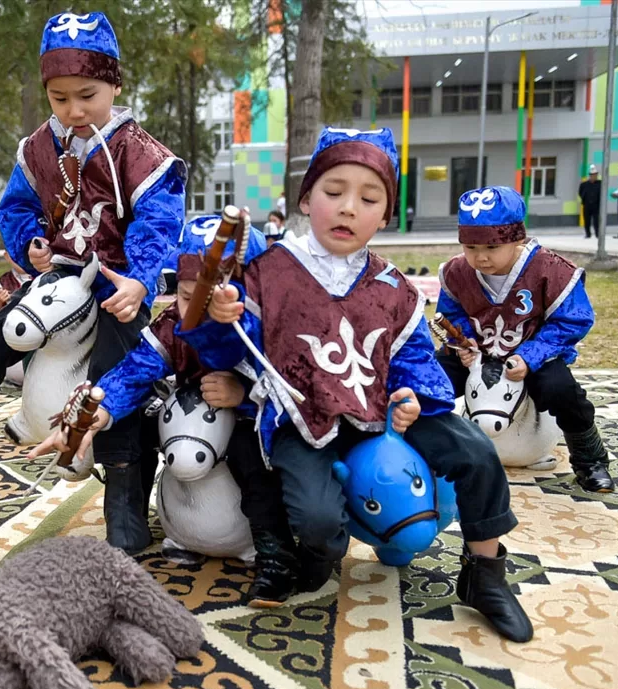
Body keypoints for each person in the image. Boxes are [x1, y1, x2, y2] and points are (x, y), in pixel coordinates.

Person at [181, 128, 534, 643]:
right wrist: (218, 317)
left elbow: (414, 359)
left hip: (381, 412)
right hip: (304, 422)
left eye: (368, 198)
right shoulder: (269, 273)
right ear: (306, 199)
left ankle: (485, 573)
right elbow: (225, 353)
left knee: (475, 451)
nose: (349, 208)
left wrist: (413, 396)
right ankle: (318, 553)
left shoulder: (394, 285)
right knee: (321, 521)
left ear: (385, 214)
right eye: (333, 192)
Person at [0, 11, 186, 554]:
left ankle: (122, 501)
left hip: (116, 285)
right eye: (60, 97)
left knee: (118, 380)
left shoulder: (145, 155)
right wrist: (29, 245)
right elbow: (16, 207)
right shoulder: (36, 148)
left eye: (87, 94)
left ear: (115, 83)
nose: (74, 110)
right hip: (60, 275)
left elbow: (159, 221)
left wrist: (137, 281)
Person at [32, 217, 303, 606]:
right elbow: (135, 370)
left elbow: (299, 385)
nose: (196, 309)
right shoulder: (172, 326)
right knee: (142, 417)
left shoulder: (271, 325)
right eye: (188, 295)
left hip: (250, 418)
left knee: (252, 456)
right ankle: (140, 512)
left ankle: (275, 552)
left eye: (211, 298)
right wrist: (96, 410)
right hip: (193, 417)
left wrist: (244, 392)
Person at [436, 185, 614, 494]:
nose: (481, 257)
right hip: (478, 351)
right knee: (428, 379)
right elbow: (451, 314)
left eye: (491, 248)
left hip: (532, 352)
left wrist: (530, 356)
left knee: (561, 390)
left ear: (517, 239)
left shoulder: (550, 271)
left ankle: (590, 462)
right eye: (471, 248)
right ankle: (422, 449)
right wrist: (462, 344)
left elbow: (573, 319)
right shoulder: (456, 271)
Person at [578, 164, 601, 238]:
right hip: (587, 204)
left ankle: (597, 234)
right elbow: (580, 192)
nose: (594, 176)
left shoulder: (599, 184)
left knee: (596, 220)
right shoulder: (584, 184)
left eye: (595, 175)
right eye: (593, 175)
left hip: (596, 205)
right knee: (587, 220)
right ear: (590, 175)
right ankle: (588, 234)